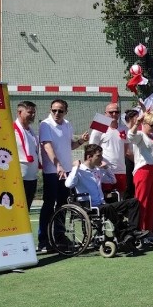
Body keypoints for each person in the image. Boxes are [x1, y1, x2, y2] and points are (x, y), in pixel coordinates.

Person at [64, 144, 148, 244]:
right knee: (107, 208)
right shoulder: (79, 171)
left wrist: (107, 168)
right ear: (89, 157)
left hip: (102, 204)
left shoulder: (97, 170)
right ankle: (123, 234)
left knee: (133, 202)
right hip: (89, 207)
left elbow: (112, 181)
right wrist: (75, 168)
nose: (101, 158)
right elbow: (68, 184)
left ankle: (132, 231)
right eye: (98, 156)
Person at [38, 99, 88, 252]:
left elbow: (69, 145)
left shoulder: (67, 124)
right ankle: (43, 240)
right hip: (52, 172)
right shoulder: (45, 124)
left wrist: (80, 141)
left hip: (66, 172)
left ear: (66, 111)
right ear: (50, 110)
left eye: (60, 110)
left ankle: (59, 237)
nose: (57, 113)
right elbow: (47, 146)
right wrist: (57, 165)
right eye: (54, 110)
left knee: (63, 205)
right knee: (49, 205)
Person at [127, 111, 153, 238]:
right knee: (142, 201)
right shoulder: (140, 134)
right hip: (143, 170)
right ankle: (139, 231)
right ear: (144, 124)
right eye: (151, 125)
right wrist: (136, 124)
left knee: (151, 201)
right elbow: (130, 136)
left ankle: (148, 230)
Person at [88, 103, 131, 196]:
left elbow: (126, 149)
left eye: (117, 112)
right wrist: (97, 164)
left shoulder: (124, 129)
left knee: (120, 196)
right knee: (104, 195)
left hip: (121, 169)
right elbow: (91, 148)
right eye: (111, 112)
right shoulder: (99, 128)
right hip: (104, 170)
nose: (114, 114)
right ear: (105, 113)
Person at [13, 101, 39, 210]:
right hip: (18, 178)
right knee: (17, 210)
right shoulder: (11, 130)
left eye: (34, 113)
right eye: (29, 112)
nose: (32, 115)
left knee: (26, 208)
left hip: (32, 177)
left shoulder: (31, 131)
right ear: (19, 112)